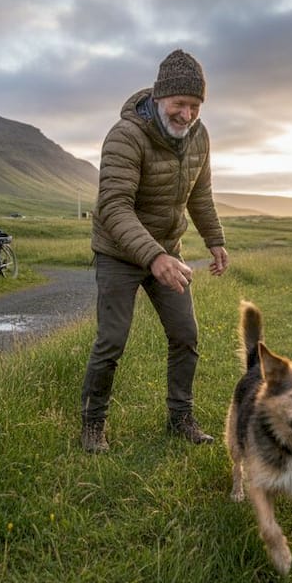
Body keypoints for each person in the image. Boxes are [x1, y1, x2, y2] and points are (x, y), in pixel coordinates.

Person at [80, 49, 230, 453]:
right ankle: (93, 425)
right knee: (112, 340)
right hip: (119, 253)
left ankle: (180, 418)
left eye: (195, 106)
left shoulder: (199, 136)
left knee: (185, 334)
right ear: (160, 98)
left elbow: (201, 194)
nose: (187, 115)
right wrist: (154, 257)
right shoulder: (125, 136)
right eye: (180, 104)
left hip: (167, 248)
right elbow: (112, 206)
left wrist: (214, 240)